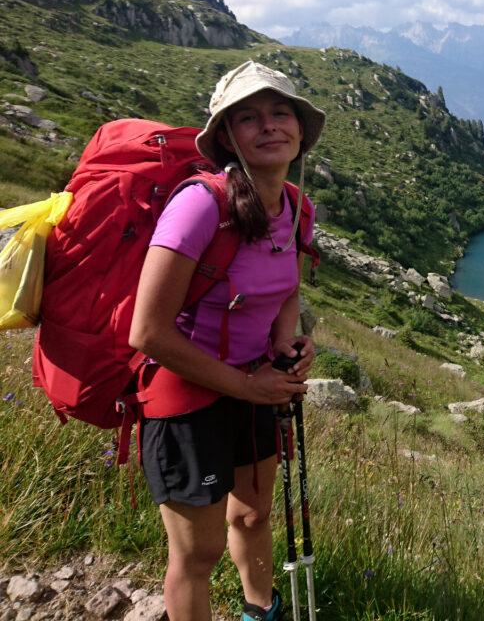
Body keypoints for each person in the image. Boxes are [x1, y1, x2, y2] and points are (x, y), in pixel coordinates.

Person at [129, 60, 325, 621]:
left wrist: (288, 348)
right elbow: (148, 332)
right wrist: (248, 383)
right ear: (227, 136)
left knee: (254, 517)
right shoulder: (199, 205)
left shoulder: (294, 205)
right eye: (249, 118)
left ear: (299, 130)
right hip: (185, 398)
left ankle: (260, 612)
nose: (269, 126)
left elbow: (286, 288)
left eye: (280, 112)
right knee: (200, 551)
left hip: (254, 387)